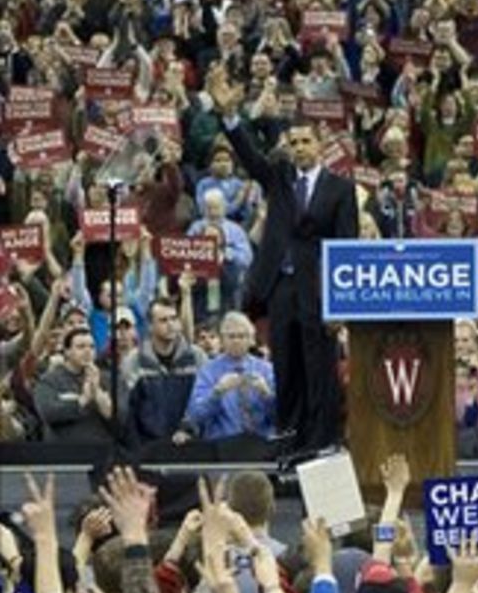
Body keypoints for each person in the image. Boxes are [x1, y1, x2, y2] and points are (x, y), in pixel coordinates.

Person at [210, 76, 358, 453]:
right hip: (281, 287)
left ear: (321, 146)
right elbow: (249, 156)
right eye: (294, 143)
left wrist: (341, 304)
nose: (300, 148)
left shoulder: (340, 189)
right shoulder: (278, 177)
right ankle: (289, 447)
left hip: (320, 292)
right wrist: (230, 115)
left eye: (306, 141)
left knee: (319, 371)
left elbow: (347, 247)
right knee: (287, 370)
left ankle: (321, 445)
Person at [122, 298, 206, 447]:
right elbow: (129, 411)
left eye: (174, 319)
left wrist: (188, 429)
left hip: (190, 444)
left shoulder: (196, 357)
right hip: (148, 448)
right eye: (163, 320)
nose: (170, 325)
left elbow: (203, 400)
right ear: (150, 326)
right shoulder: (133, 361)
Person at [182, 311, 276, 442]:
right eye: (231, 336)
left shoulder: (267, 370)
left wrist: (267, 394)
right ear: (222, 340)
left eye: (242, 336)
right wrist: (217, 393)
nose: (236, 341)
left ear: (251, 340)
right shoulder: (208, 371)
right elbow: (195, 416)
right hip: (222, 447)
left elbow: (282, 418)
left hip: (262, 444)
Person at [33, 326, 114, 443]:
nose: (88, 351)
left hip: (101, 451)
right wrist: (82, 400)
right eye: (81, 347)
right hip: (64, 453)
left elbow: (118, 416)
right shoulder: (49, 380)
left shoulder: (108, 378)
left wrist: (97, 390)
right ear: (67, 351)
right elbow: (47, 412)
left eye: (92, 347)